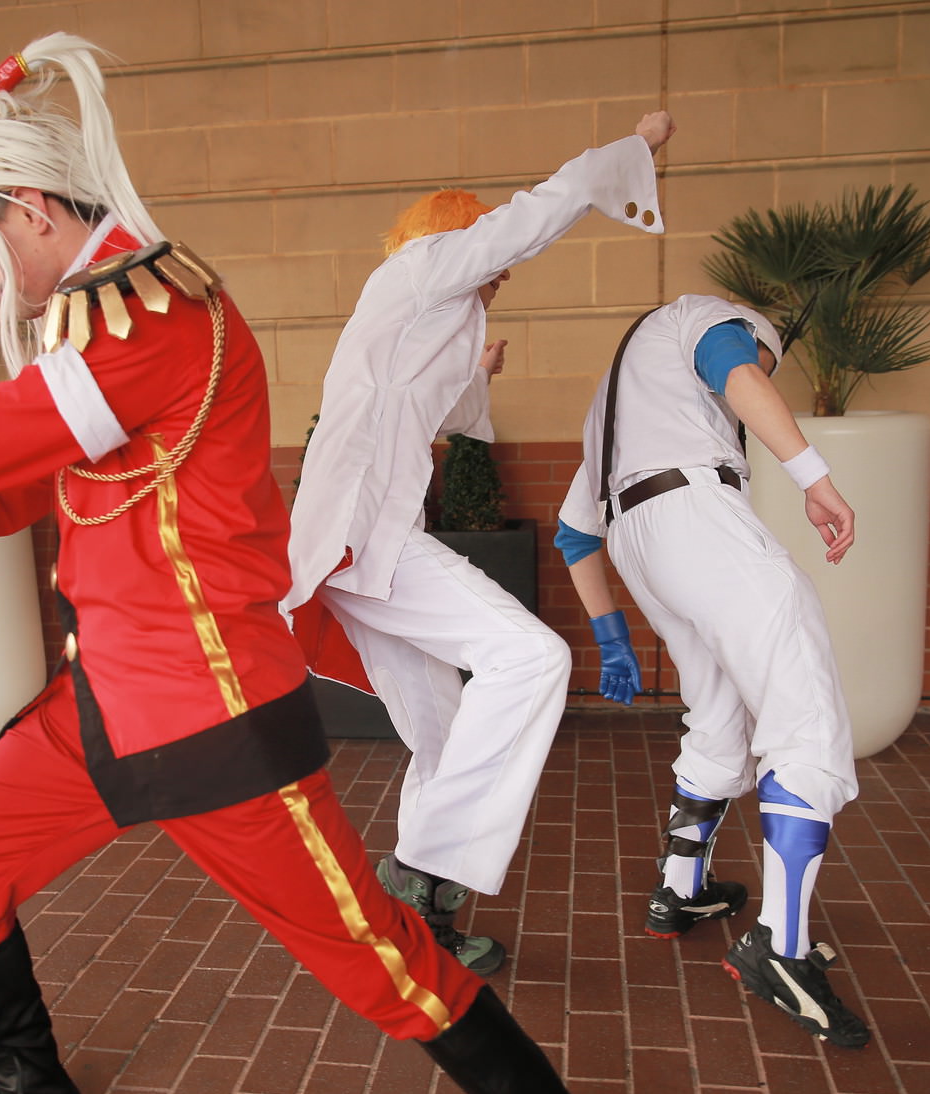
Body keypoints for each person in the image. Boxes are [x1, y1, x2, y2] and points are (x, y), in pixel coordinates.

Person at [0, 33, 639, 1094]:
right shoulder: (100, 319)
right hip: (103, 708)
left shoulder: (155, 313)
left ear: (27, 210)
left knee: (386, 969)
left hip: (211, 721)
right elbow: (11, 488)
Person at [285, 113, 676, 975]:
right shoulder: (424, 268)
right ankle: (418, 873)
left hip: (354, 550)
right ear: (456, 239)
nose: (499, 273)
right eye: (488, 256)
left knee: (442, 735)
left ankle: (419, 926)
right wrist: (633, 149)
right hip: (365, 543)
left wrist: (480, 371)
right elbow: (535, 215)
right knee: (533, 659)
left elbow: (453, 414)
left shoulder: (427, 314)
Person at [553, 294, 871, 1049]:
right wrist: (814, 478)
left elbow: (574, 535)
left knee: (719, 713)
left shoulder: (619, 406)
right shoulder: (704, 319)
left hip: (638, 538)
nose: (759, 371)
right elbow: (736, 371)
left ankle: (681, 889)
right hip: (695, 513)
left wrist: (613, 638)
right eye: (766, 357)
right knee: (803, 705)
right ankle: (781, 950)